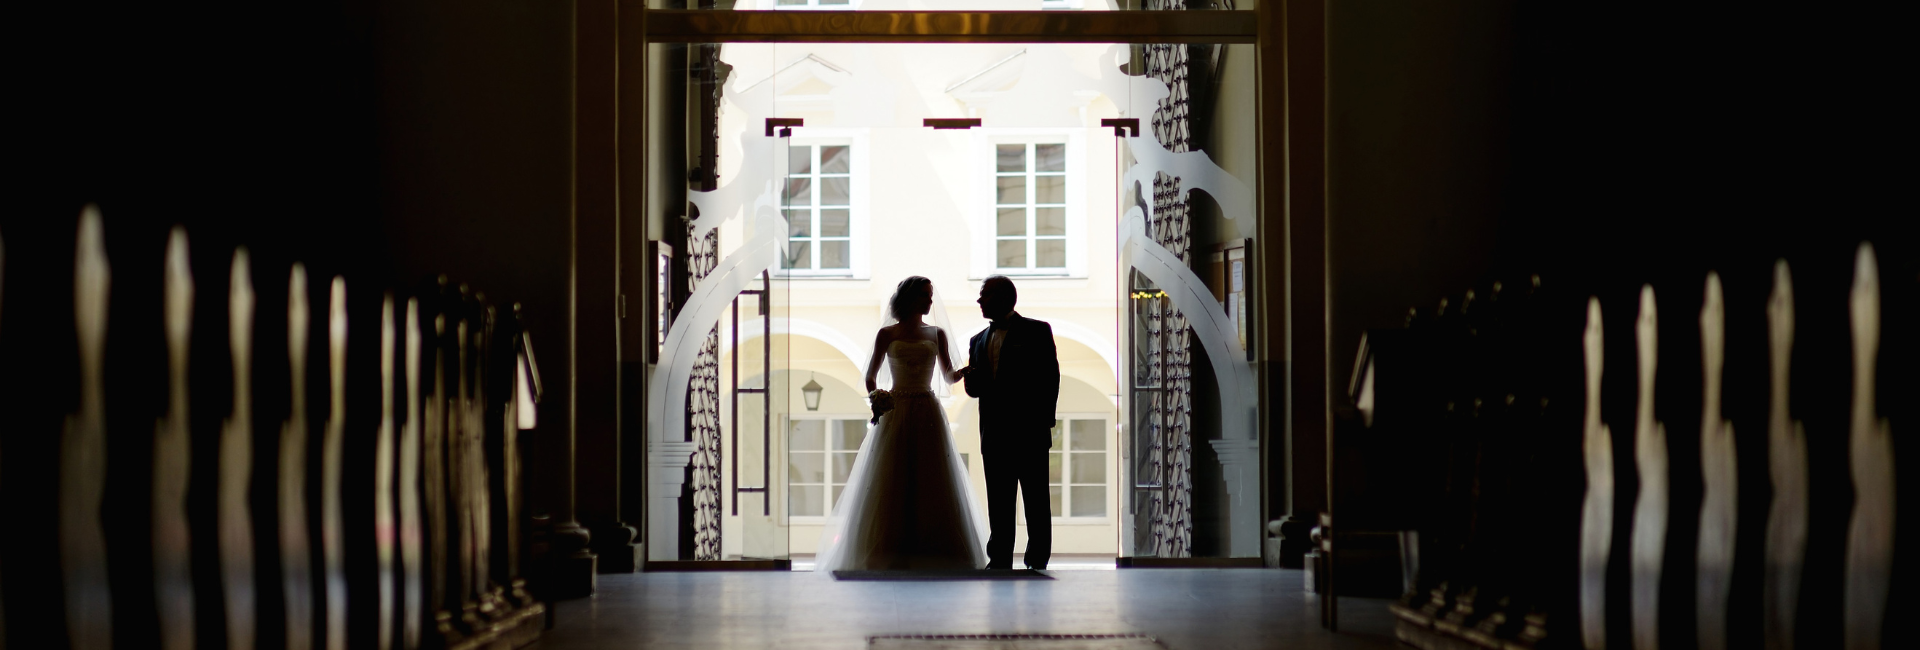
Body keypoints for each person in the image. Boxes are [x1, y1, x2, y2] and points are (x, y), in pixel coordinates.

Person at [812, 276, 988, 573]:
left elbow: (947, 377)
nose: (930, 301)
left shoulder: (937, 334)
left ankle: (934, 552)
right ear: (909, 298)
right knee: (892, 476)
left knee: (931, 476)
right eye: (924, 295)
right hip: (896, 407)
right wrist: (877, 397)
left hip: (927, 408)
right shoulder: (887, 334)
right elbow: (870, 377)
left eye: (930, 295)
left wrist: (969, 370)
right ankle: (889, 550)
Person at [965, 275, 1060, 570]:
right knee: (999, 501)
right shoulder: (977, 340)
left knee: (1036, 501)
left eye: (985, 294)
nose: (979, 301)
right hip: (993, 436)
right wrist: (970, 378)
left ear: (1006, 297)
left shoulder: (1037, 331)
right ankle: (1000, 558)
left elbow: (1050, 378)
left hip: (1029, 432)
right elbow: (975, 390)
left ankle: (1037, 560)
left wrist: (1044, 422)